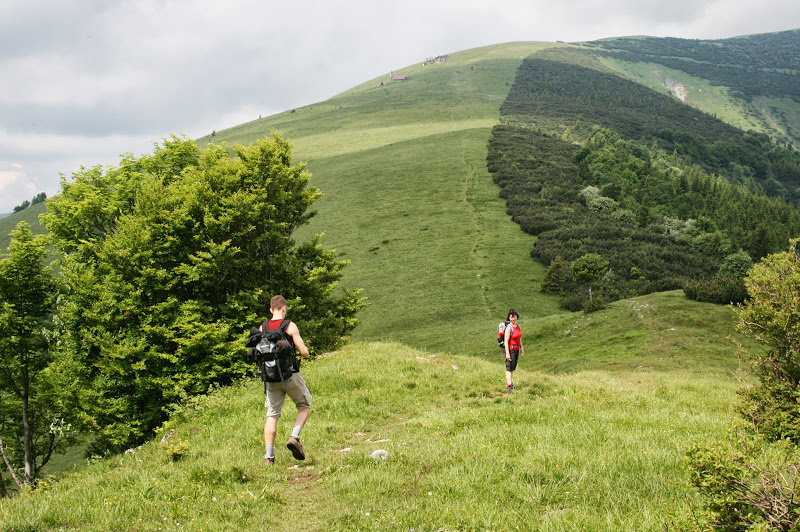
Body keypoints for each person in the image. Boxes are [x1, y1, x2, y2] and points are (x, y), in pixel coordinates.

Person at [262, 295, 312, 466]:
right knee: (304, 405)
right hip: (290, 375)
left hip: (270, 378)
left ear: (271, 310)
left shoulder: (263, 327)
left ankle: (269, 457)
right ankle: (294, 437)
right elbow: (304, 352)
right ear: (284, 308)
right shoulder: (290, 326)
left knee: (272, 415)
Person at [503, 308, 524, 393]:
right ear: (509, 318)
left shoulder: (518, 326)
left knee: (512, 368)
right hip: (510, 350)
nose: (513, 319)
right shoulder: (508, 328)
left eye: (514, 317)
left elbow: (519, 337)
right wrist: (507, 353)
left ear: (517, 317)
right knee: (509, 368)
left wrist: (521, 347)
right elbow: (506, 341)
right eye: (511, 317)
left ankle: (510, 385)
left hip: (516, 349)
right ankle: (509, 386)